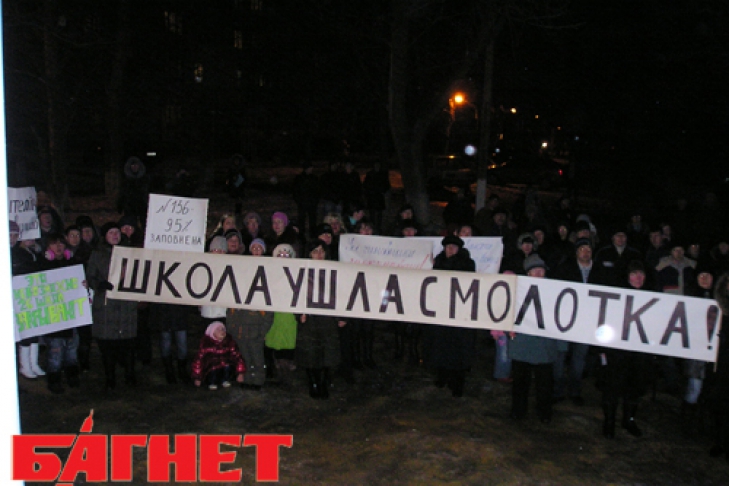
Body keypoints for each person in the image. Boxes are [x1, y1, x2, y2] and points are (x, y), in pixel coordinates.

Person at [598, 260, 653, 438]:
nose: (638, 278)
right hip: (617, 352)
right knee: (612, 389)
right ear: (627, 276)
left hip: (638, 354)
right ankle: (609, 422)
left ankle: (628, 420)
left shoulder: (653, 298)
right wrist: (603, 349)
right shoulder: (616, 295)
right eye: (634, 274)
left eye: (641, 274)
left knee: (634, 388)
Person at [551, 237, 608, 405]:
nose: (585, 252)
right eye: (582, 249)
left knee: (579, 357)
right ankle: (557, 390)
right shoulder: (565, 268)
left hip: (586, 321)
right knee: (560, 355)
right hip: (564, 320)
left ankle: (575, 391)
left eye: (588, 250)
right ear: (576, 252)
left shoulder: (600, 271)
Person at [509, 254, 565, 422]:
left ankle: (544, 412)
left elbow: (562, 317)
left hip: (545, 345)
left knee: (545, 383)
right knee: (520, 382)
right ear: (528, 273)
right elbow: (506, 311)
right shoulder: (517, 289)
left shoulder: (555, 290)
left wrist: (562, 346)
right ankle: (518, 411)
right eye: (534, 271)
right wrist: (507, 329)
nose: (539, 273)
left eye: (541, 270)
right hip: (522, 344)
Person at [87, 222, 139, 391]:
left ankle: (130, 376)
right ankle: (110, 378)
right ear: (105, 236)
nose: (115, 235)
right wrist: (100, 284)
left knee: (128, 344)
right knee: (108, 346)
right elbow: (90, 276)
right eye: (111, 232)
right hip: (106, 306)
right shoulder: (97, 254)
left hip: (126, 305)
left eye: (117, 232)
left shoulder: (130, 252)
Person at [422, 235, 476, 397]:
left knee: (458, 348)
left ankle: (457, 382)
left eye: (454, 247)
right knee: (440, 345)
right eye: (448, 247)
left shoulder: (467, 263)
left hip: (460, 312)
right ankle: (442, 376)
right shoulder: (437, 262)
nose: (450, 250)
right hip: (440, 311)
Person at [297, 240, 344, 398]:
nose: (319, 254)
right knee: (310, 354)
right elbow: (295, 294)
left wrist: (342, 316)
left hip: (328, 319)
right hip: (309, 319)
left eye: (322, 251)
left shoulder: (334, 271)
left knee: (327, 353)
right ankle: (313, 383)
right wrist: (299, 313)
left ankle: (323, 383)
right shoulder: (302, 271)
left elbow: (341, 294)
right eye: (315, 251)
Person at [37, 233, 81, 393]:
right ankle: (54, 380)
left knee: (71, 348)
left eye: (61, 243)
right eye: (54, 244)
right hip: (53, 317)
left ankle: (72, 376)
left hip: (71, 315)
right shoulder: (42, 265)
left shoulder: (73, 263)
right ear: (48, 248)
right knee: (55, 351)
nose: (59, 247)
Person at [10, 221, 45, 380]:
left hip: (29, 296)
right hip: (18, 297)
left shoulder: (33, 253)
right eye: (10, 235)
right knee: (24, 331)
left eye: (15, 235)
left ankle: (32, 363)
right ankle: (25, 365)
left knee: (32, 329)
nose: (12, 238)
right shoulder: (15, 254)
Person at [264, 244, 299, 385]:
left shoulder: (297, 272)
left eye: (286, 255)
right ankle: (274, 368)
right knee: (273, 338)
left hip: (289, 313)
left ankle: (286, 370)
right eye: (280, 255)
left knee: (288, 339)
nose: (283, 257)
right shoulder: (268, 271)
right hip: (274, 312)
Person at [191, 321, 246, 390]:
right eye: (218, 329)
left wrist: (240, 373)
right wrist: (197, 377)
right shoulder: (206, 345)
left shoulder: (229, 343)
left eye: (223, 329)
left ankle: (225, 379)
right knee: (213, 368)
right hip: (210, 370)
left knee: (227, 366)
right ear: (212, 332)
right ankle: (212, 382)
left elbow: (237, 356)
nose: (222, 331)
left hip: (224, 368)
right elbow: (198, 361)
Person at [199, 237, 229, 328]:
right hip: (207, 312)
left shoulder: (230, 267)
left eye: (222, 250)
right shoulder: (203, 266)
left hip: (224, 312)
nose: (219, 252)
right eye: (216, 250)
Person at [117, 156, 150, 227]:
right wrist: (119, 206)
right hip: (130, 206)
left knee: (145, 223)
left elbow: (149, 192)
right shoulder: (126, 180)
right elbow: (122, 193)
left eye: (136, 165)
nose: (134, 167)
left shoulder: (145, 179)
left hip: (143, 205)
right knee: (131, 223)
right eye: (132, 165)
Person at [292, 160, 320, 237]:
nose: (311, 169)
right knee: (301, 220)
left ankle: (313, 234)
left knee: (313, 220)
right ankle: (301, 235)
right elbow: (295, 190)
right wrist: (298, 201)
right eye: (309, 168)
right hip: (302, 202)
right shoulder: (299, 178)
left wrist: (316, 200)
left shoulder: (314, 178)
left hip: (312, 203)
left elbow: (318, 190)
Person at [363, 161, 390, 231]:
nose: (377, 166)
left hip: (379, 196)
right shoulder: (370, 174)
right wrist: (369, 193)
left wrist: (382, 191)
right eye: (376, 165)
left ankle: (378, 228)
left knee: (379, 214)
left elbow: (387, 185)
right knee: (372, 214)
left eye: (378, 165)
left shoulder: (383, 174)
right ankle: (372, 227)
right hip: (372, 196)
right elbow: (365, 185)